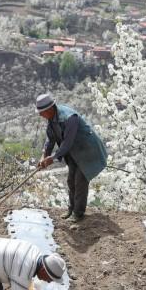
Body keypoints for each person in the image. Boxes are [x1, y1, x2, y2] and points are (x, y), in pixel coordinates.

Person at [36, 93, 107, 222]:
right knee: (71, 180)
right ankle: (72, 208)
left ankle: (78, 214)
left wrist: (51, 158)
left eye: (42, 112)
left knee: (80, 181)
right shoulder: (52, 119)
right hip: (75, 152)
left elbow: (67, 143)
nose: (40, 115)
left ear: (50, 109)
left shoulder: (69, 118)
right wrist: (43, 156)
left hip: (87, 150)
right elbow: (50, 140)